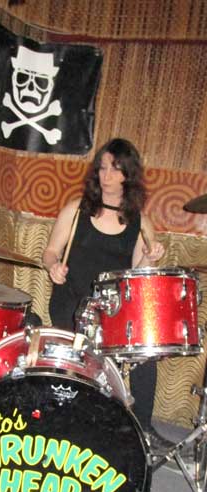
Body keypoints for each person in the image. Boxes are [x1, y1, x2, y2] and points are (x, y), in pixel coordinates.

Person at [42, 137, 174, 454]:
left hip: (112, 307)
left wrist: (150, 257)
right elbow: (50, 251)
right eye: (102, 168)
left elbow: (135, 273)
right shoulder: (76, 210)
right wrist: (53, 266)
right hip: (72, 301)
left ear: (127, 175)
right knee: (84, 335)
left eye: (114, 170)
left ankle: (143, 428)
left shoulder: (140, 221)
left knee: (144, 350)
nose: (106, 176)